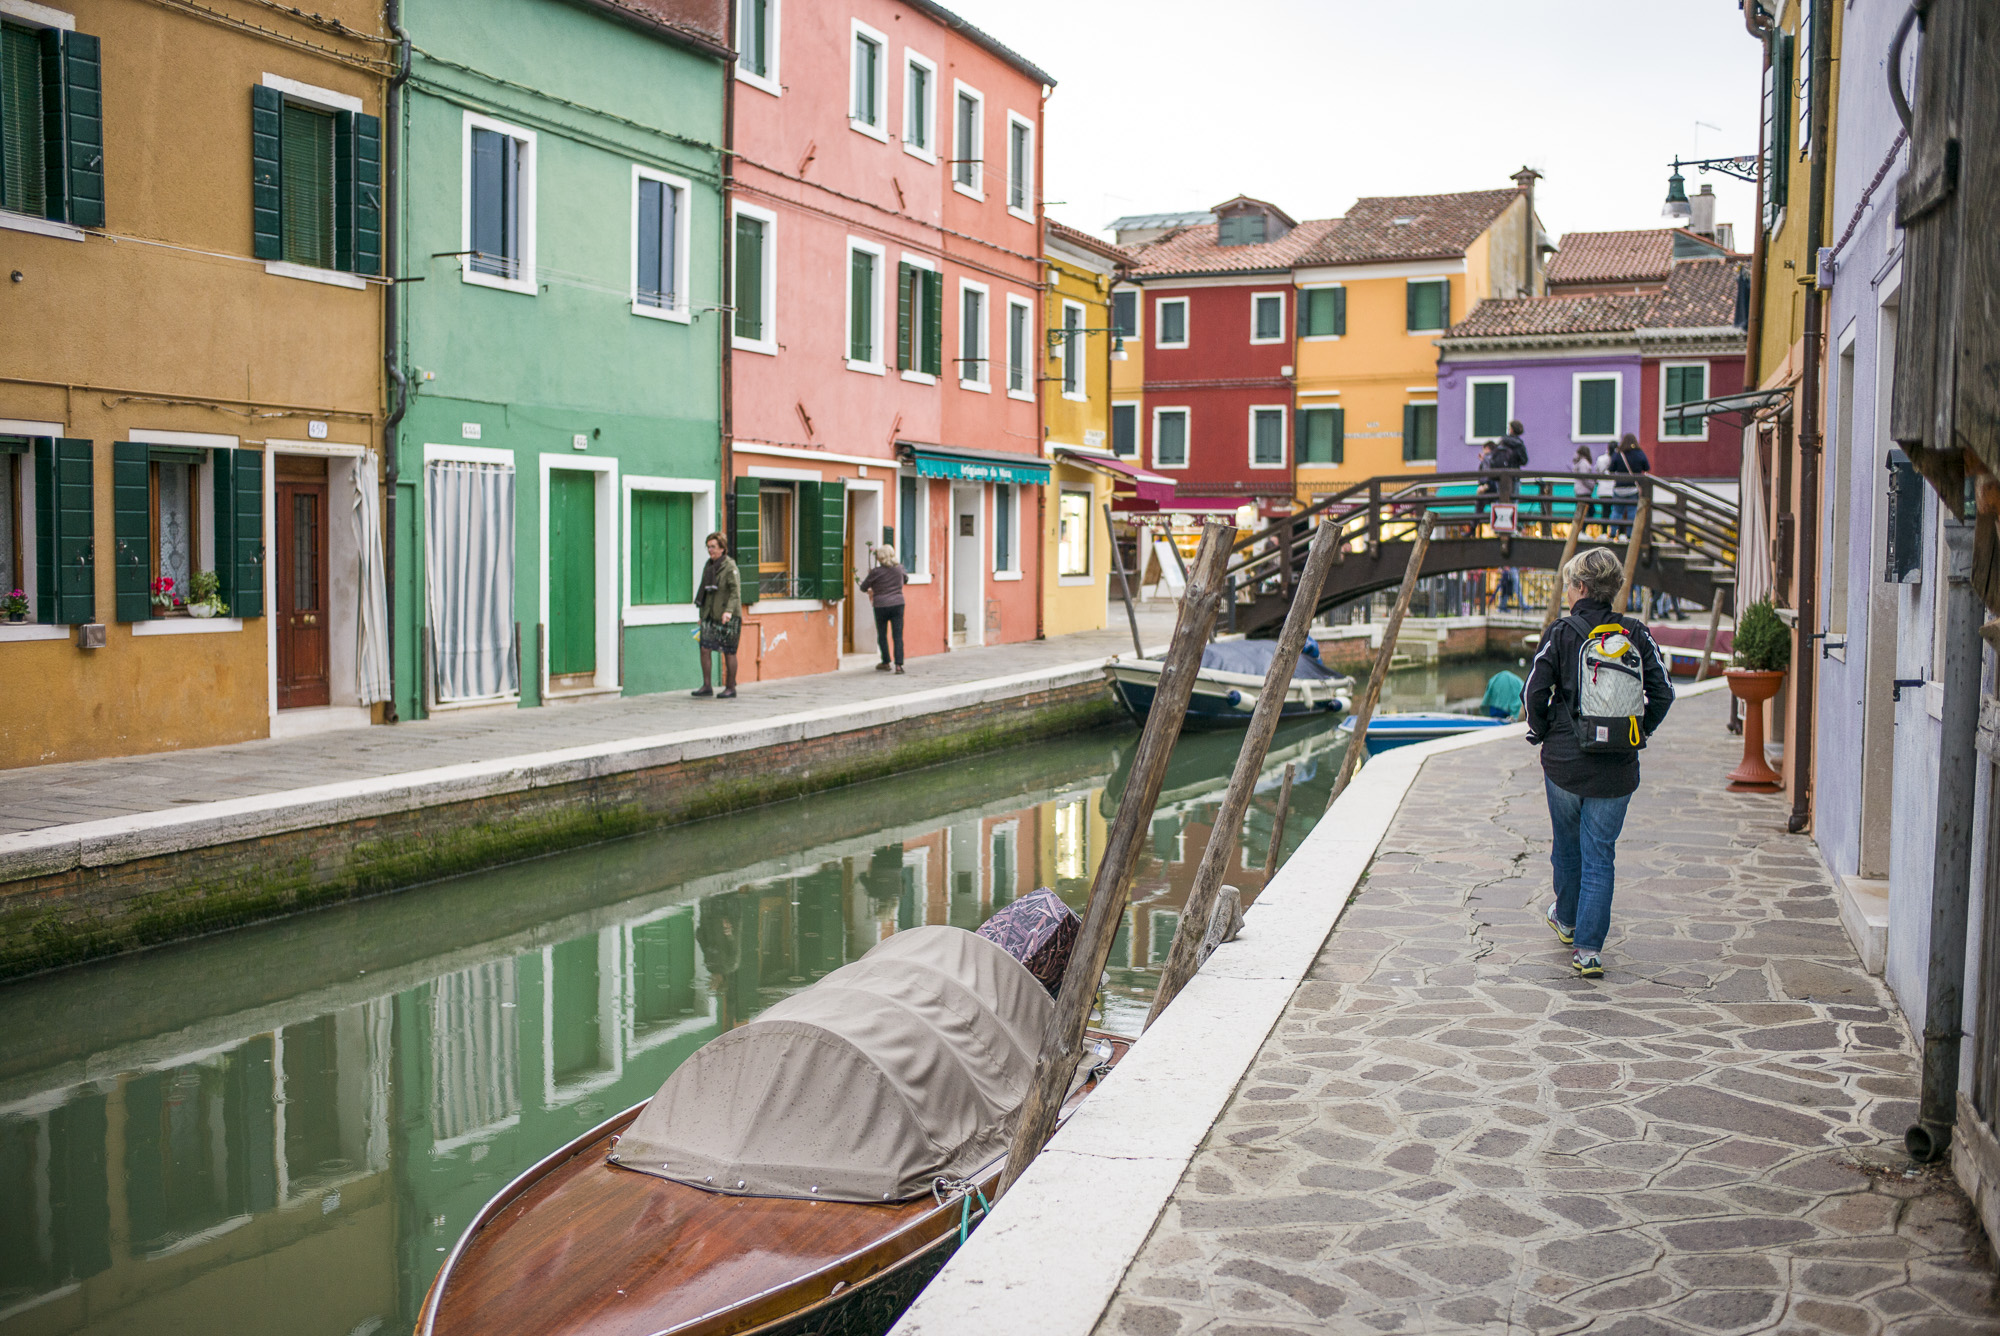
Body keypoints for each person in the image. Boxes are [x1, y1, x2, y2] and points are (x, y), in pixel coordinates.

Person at [1524, 547, 1674, 977]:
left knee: (1567, 847)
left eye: (1570, 583)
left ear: (1582, 588)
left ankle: (1566, 920)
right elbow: (1663, 693)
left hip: (1566, 763)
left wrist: (1539, 730)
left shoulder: (1562, 632)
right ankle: (1588, 952)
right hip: (1617, 766)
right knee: (1600, 855)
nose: (1567, 590)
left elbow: (1534, 691)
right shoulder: (1636, 633)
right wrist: (1639, 733)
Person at [693, 532, 741, 699]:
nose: (710, 550)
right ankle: (707, 686)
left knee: (729, 651)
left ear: (722, 548)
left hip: (728, 615)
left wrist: (728, 611)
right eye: (708, 546)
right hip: (709, 614)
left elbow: (735, 592)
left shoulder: (730, 567)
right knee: (704, 648)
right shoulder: (709, 566)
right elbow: (704, 592)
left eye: (713, 546)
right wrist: (702, 614)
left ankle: (730, 687)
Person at [857, 543, 907, 673]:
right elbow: (905, 579)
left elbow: (863, 587)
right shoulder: (900, 568)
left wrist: (873, 584)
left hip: (881, 605)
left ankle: (885, 662)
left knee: (882, 634)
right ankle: (899, 665)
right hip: (898, 604)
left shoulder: (876, 572)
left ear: (880, 557)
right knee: (897, 635)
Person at [1605, 432, 1650, 537]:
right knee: (1632, 512)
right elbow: (1647, 467)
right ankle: (1630, 535)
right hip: (1633, 488)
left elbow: (1611, 469)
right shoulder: (1639, 453)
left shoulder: (1619, 454)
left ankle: (1612, 533)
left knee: (1616, 511)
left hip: (1619, 487)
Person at [1570, 445, 1599, 532]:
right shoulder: (1584, 463)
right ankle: (1582, 530)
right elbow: (1585, 477)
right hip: (1585, 491)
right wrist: (1592, 484)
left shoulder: (1578, 463)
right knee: (1589, 511)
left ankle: (1579, 531)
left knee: (1582, 512)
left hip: (1579, 491)